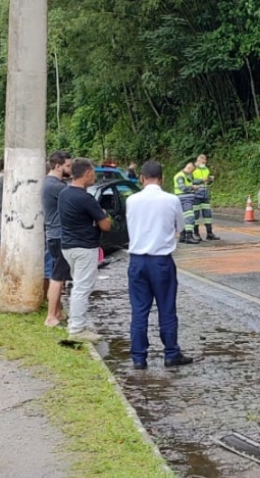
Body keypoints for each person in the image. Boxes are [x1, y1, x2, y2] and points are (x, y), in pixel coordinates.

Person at [126, 161, 193, 369]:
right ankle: (171, 353)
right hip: (161, 261)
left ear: (142, 178)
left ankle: (138, 357)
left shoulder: (131, 200)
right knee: (166, 308)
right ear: (162, 179)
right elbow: (180, 226)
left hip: (137, 261)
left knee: (139, 310)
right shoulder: (171, 199)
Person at [58, 158, 111, 342]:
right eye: (93, 174)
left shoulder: (64, 193)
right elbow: (106, 226)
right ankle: (77, 329)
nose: (94, 177)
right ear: (87, 173)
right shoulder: (86, 198)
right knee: (82, 287)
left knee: (77, 286)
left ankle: (76, 322)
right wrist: (103, 215)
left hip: (68, 246)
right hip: (85, 247)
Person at [43, 151, 72, 328]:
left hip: (55, 234)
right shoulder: (55, 186)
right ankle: (51, 316)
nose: (71, 169)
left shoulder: (51, 183)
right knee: (58, 276)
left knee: (58, 275)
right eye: (68, 166)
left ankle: (58, 312)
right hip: (59, 235)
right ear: (58, 166)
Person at [191, 153, 219, 241]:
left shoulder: (206, 169)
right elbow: (190, 181)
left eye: (205, 161)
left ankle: (209, 233)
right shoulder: (192, 169)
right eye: (202, 161)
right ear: (198, 160)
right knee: (196, 215)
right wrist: (201, 180)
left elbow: (207, 182)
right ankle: (196, 233)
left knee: (207, 214)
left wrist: (210, 180)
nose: (203, 162)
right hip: (195, 195)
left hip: (204, 194)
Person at [172, 160, 201, 244]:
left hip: (185, 199)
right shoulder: (180, 176)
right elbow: (182, 187)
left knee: (182, 217)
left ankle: (183, 236)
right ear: (189, 167)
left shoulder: (186, 175)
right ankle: (189, 236)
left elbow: (194, 181)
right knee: (189, 216)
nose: (192, 172)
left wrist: (204, 180)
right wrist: (192, 187)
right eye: (192, 170)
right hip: (184, 199)